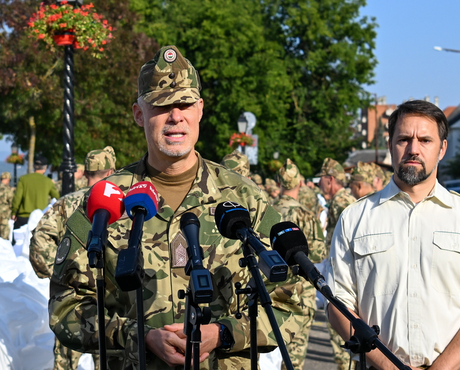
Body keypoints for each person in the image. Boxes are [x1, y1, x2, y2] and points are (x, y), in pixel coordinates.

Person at [49, 45, 300, 369]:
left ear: (199, 109)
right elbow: (64, 305)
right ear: (139, 114)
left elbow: (288, 300)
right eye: (161, 105)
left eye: (183, 103)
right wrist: (136, 336)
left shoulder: (245, 198)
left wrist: (225, 333)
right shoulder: (103, 202)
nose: (175, 116)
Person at [326, 100, 460, 370]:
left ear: (442, 148)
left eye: (425, 140)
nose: (413, 149)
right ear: (390, 145)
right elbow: (337, 305)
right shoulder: (355, 218)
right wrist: (389, 367)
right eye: (403, 139)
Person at [29, 146, 116, 369]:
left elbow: (39, 241)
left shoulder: (66, 203)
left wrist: (60, 273)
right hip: (111, 297)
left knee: (65, 361)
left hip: (73, 299)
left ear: (86, 173)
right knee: (112, 355)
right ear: (110, 172)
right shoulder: (120, 204)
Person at [272, 159, 325, 370]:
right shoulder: (307, 215)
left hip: (273, 291)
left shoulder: (267, 210)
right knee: (294, 359)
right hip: (300, 293)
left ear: (279, 182)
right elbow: (319, 253)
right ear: (300, 184)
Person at [316, 157, 356, 370]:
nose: (319, 183)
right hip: (339, 270)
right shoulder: (342, 200)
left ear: (330, 179)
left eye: (321, 179)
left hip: (343, 275)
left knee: (340, 332)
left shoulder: (341, 203)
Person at [11, 155, 60, 229]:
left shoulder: (23, 179)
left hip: (23, 216)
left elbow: (17, 197)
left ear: (34, 166)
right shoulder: (48, 181)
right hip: (40, 217)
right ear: (45, 167)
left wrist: (14, 211)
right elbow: (57, 197)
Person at [0, 172, 14, 239]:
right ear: (7, 179)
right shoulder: (8, 190)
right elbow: (11, 202)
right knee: (4, 236)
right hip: (4, 216)